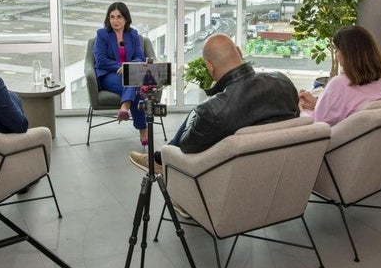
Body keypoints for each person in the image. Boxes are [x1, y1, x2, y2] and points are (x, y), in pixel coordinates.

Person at [128, 34, 300, 174]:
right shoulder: (283, 82)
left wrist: (209, 103)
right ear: (239, 52)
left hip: (226, 182)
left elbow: (186, 149)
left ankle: (159, 160)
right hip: (275, 174)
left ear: (210, 67)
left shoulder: (213, 110)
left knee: (195, 117)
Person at [298, 25, 381, 126]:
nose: (336, 55)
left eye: (336, 50)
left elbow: (317, 127)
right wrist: (317, 104)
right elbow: (351, 107)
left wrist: (302, 110)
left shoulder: (339, 84)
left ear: (347, 54)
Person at [93, 1, 149, 144]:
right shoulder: (102, 34)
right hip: (109, 75)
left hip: (130, 73)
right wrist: (122, 66)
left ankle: (125, 107)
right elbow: (100, 60)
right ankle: (143, 131)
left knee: (133, 80)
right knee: (136, 86)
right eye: (112, 17)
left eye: (119, 17)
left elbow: (140, 57)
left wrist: (129, 66)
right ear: (108, 19)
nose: (115, 20)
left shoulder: (133, 34)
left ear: (126, 19)